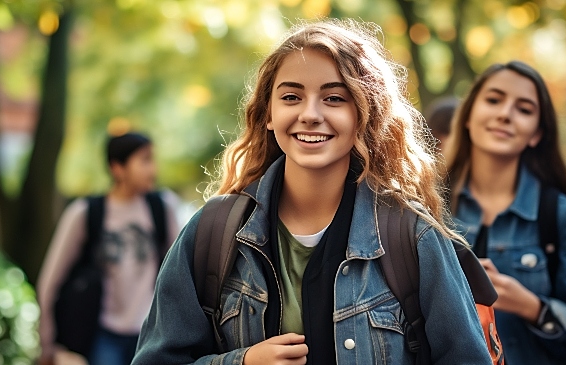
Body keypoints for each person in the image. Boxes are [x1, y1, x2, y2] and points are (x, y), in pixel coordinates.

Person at [132, 20, 490, 365]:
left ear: (366, 114)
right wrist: (243, 362)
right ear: (268, 113)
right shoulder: (212, 232)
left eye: (334, 98)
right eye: (291, 96)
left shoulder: (413, 236)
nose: (310, 114)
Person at [445, 61, 566, 364]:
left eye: (524, 109)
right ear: (469, 115)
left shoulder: (560, 216)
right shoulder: (428, 207)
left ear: (536, 133)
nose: (505, 114)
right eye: (494, 100)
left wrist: (533, 308)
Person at [37, 132, 183, 365]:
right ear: (117, 168)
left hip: (151, 335)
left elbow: (182, 275)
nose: (153, 169)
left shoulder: (163, 207)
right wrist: (47, 344)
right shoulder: (85, 213)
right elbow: (50, 281)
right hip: (103, 336)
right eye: (145, 160)